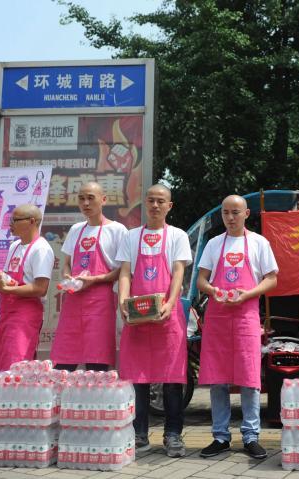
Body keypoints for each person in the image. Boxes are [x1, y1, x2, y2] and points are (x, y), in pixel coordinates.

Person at [196, 195, 278, 460]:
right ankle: (220, 436)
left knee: (249, 377)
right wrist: (213, 291)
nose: (230, 218)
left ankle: (251, 436)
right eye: (225, 213)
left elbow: (272, 279)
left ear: (246, 214)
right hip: (218, 318)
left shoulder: (259, 243)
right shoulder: (213, 243)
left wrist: (249, 293)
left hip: (246, 316)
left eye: (235, 212)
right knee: (217, 378)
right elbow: (201, 280)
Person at [117, 185, 192, 457]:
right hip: (138, 318)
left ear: (169, 206)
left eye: (161, 201)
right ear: (145, 204)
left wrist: (170, 304)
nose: (155, 205)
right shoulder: (131, 236)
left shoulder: (177, 236)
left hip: (167, 319)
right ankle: (138, 434)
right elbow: (125, 272)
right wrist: (123, 302)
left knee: (172, 379)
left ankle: (173, 435)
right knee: (137, 378)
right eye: (151, 200)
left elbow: (178, 272)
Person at [52, 182, 127, 371]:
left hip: (100, 302)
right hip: (73, 299)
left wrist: (94, 279)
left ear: (103, 200)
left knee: (97, 363)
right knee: (63, 364)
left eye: (90, 198)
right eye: (81, 198)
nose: (85, 203)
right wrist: (68, 277)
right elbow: (67, 262)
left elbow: (124, 270)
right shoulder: (76, 229)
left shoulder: (117, 230)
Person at [0, 205, 54, 372]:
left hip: (25, 315)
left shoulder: (41, 249)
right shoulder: (14, 246)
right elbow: (9, 278)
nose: (10, 224)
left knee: (16, 362)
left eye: (15, 220)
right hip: (6, 312)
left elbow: (40, 288)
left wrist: (7, 289)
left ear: (32, 221)